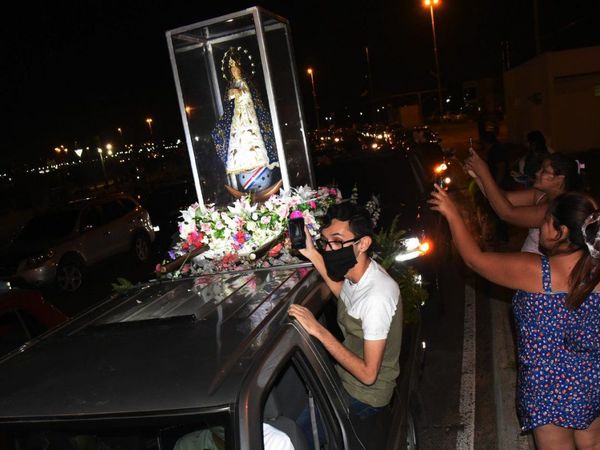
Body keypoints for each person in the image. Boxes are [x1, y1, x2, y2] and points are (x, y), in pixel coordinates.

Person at [429, 188, 599, 450]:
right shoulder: (595, 273)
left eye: (545, 221)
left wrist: (452, 214)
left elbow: (475, 260)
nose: (540, 226)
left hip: (547, 389)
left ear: (561, 231)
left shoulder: (536, 272)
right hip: (591, 379)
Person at [288, 202, 402, 418]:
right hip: (345, 377)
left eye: (338, 242)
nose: (329, 249)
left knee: (300, 432)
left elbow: (369, 375)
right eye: (326, 242)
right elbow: (346, 296)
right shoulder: (359, 273)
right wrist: (312, 252)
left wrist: (318, 330)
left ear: (363, 243)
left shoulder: (378, 296)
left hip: (367, 396)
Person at [465, 149, 585, 253]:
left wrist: (484, 172)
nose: (537, 173)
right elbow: (503, 197)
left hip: (541, 268)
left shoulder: (559, 208)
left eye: (544, 171)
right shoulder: (541, 194)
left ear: (560, 179)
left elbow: (507, 213)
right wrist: (478, 177)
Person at [211, 47, 280, 194]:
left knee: (255, 138)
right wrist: (232, 93)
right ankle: (244, 166)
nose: (235, 72)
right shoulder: (231, 86)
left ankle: (259, 165)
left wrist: (242, 93)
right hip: (238, 118)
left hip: (250, 115)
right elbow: (228, 101)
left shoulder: (247, 84)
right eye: (233, 70)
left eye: (237, 69)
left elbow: (253, 98)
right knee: (239, 140)